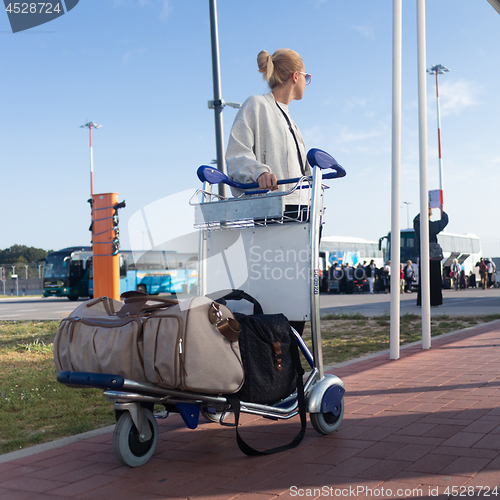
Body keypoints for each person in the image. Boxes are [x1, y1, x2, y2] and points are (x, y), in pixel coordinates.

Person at [226, 49, 311, 209]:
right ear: (295, 76)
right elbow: (236, 154)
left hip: (303, 207)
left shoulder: (290, 120)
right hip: (273, 207)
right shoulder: (256, 105)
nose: (306, 81)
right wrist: (259, 172)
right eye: (306, 76)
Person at [413, 207, 449, 306]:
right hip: (433, 256)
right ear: (430, 215)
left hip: (423, 255)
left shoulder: (419, 226)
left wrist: (422, 210)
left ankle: (422, 301)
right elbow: (444, 221)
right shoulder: (433, 226)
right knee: (435, 278)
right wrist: (442, 210)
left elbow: (415, 220)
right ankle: (435, 300)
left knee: (424, 279)